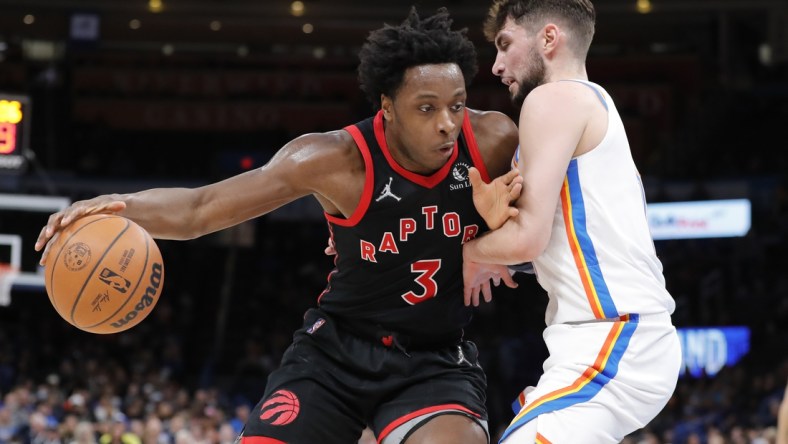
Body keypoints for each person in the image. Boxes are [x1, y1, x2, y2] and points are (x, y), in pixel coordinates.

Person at [35, 7, 523, 444]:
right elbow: (201, 209)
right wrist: (112, 205)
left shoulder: (494, 140)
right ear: (387, 106)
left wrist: (498, 243)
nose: (447, 123)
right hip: (337, 353)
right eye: (427, 107)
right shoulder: (332, 159)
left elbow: (559, 230)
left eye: (456, 104)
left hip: (434, 359)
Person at [461, 1, 682, 442]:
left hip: (614, 336)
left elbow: (527, 239)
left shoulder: (552, 99)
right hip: (606, 339)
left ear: (548, 39)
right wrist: (497, 251)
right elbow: (560, 240)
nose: (497, 65)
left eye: (505, 45)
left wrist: (465, 254)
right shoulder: (589, 101)